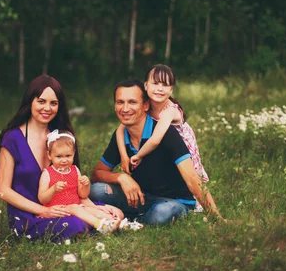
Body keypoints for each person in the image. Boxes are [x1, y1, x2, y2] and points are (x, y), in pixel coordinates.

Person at [0, 75, 123, 242]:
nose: (47, 108)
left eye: (53, 103)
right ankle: (94, 225)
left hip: (66, 206)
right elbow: (3, 190)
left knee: (115, 212)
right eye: (41, 101)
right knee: (75, 224)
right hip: (30, 215)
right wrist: (43, 211)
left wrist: (95, 207)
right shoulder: (13, 138)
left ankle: (101, 222)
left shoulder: (61, 138)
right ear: (30, 102)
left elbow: (73, 186)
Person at [90, 80, 223, 225]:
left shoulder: (165, 133)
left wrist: (217, 218)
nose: (125, 108)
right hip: (141, 197)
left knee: (161, 214)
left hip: (174, 202)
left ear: (145, 105)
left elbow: (192, 179)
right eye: (120, 102)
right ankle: (135, 219)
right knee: (96, 191)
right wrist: (122, 178)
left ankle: (130, 220)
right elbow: (97, 174)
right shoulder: (121, 136)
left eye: (132, 102)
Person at [116, 65, 209, 210]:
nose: (160, 88)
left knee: (191, 181)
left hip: (182, 148)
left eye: (165, 85)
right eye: (155, 83)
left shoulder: (169, 111)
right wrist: (123, 155)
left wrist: (138, 155)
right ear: (146, 85)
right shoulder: (147, 105)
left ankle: (200, 206)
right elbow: (120, 129)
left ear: (171, 90)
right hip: (165, 152)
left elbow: (155, 140)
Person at [38, 130, 121, 234]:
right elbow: (42, 199)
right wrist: (53, 189)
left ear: (73, 154)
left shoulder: (74, 170)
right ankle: (100, 225)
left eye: (68, 156)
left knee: (95, 211)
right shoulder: (47, 173)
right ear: (49, 155)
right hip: (59, 210)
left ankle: (116, 223)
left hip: (78, 206)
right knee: (75, 208)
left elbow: (83, 195)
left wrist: (85, 185)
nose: (64, 160)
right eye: (59, 156)